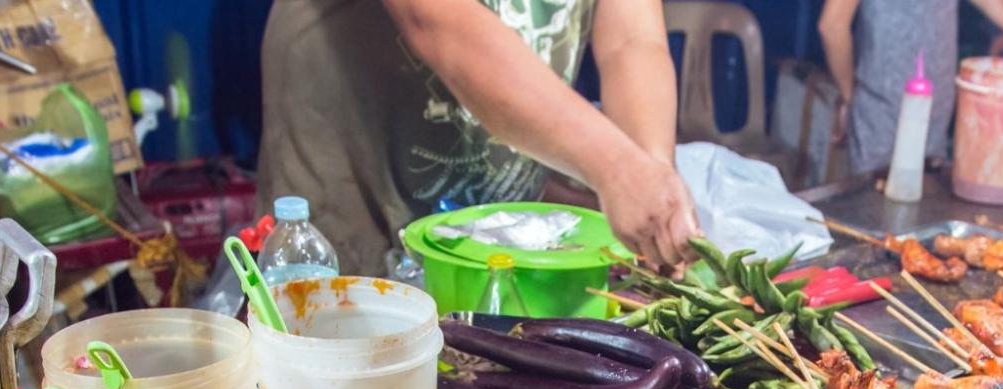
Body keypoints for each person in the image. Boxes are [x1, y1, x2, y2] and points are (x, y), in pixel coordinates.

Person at [258, 0, 697, 269]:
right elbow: (440, 21)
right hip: (360, 173)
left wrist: (652, 180)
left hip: (491, 198)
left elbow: (632, 41)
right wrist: (615, 166)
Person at [818, 0, 1003, 178]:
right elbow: (832, 26)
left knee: (918, 224)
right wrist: (851, 96)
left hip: (935, 110)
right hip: (881, 111)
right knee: (876, 220)